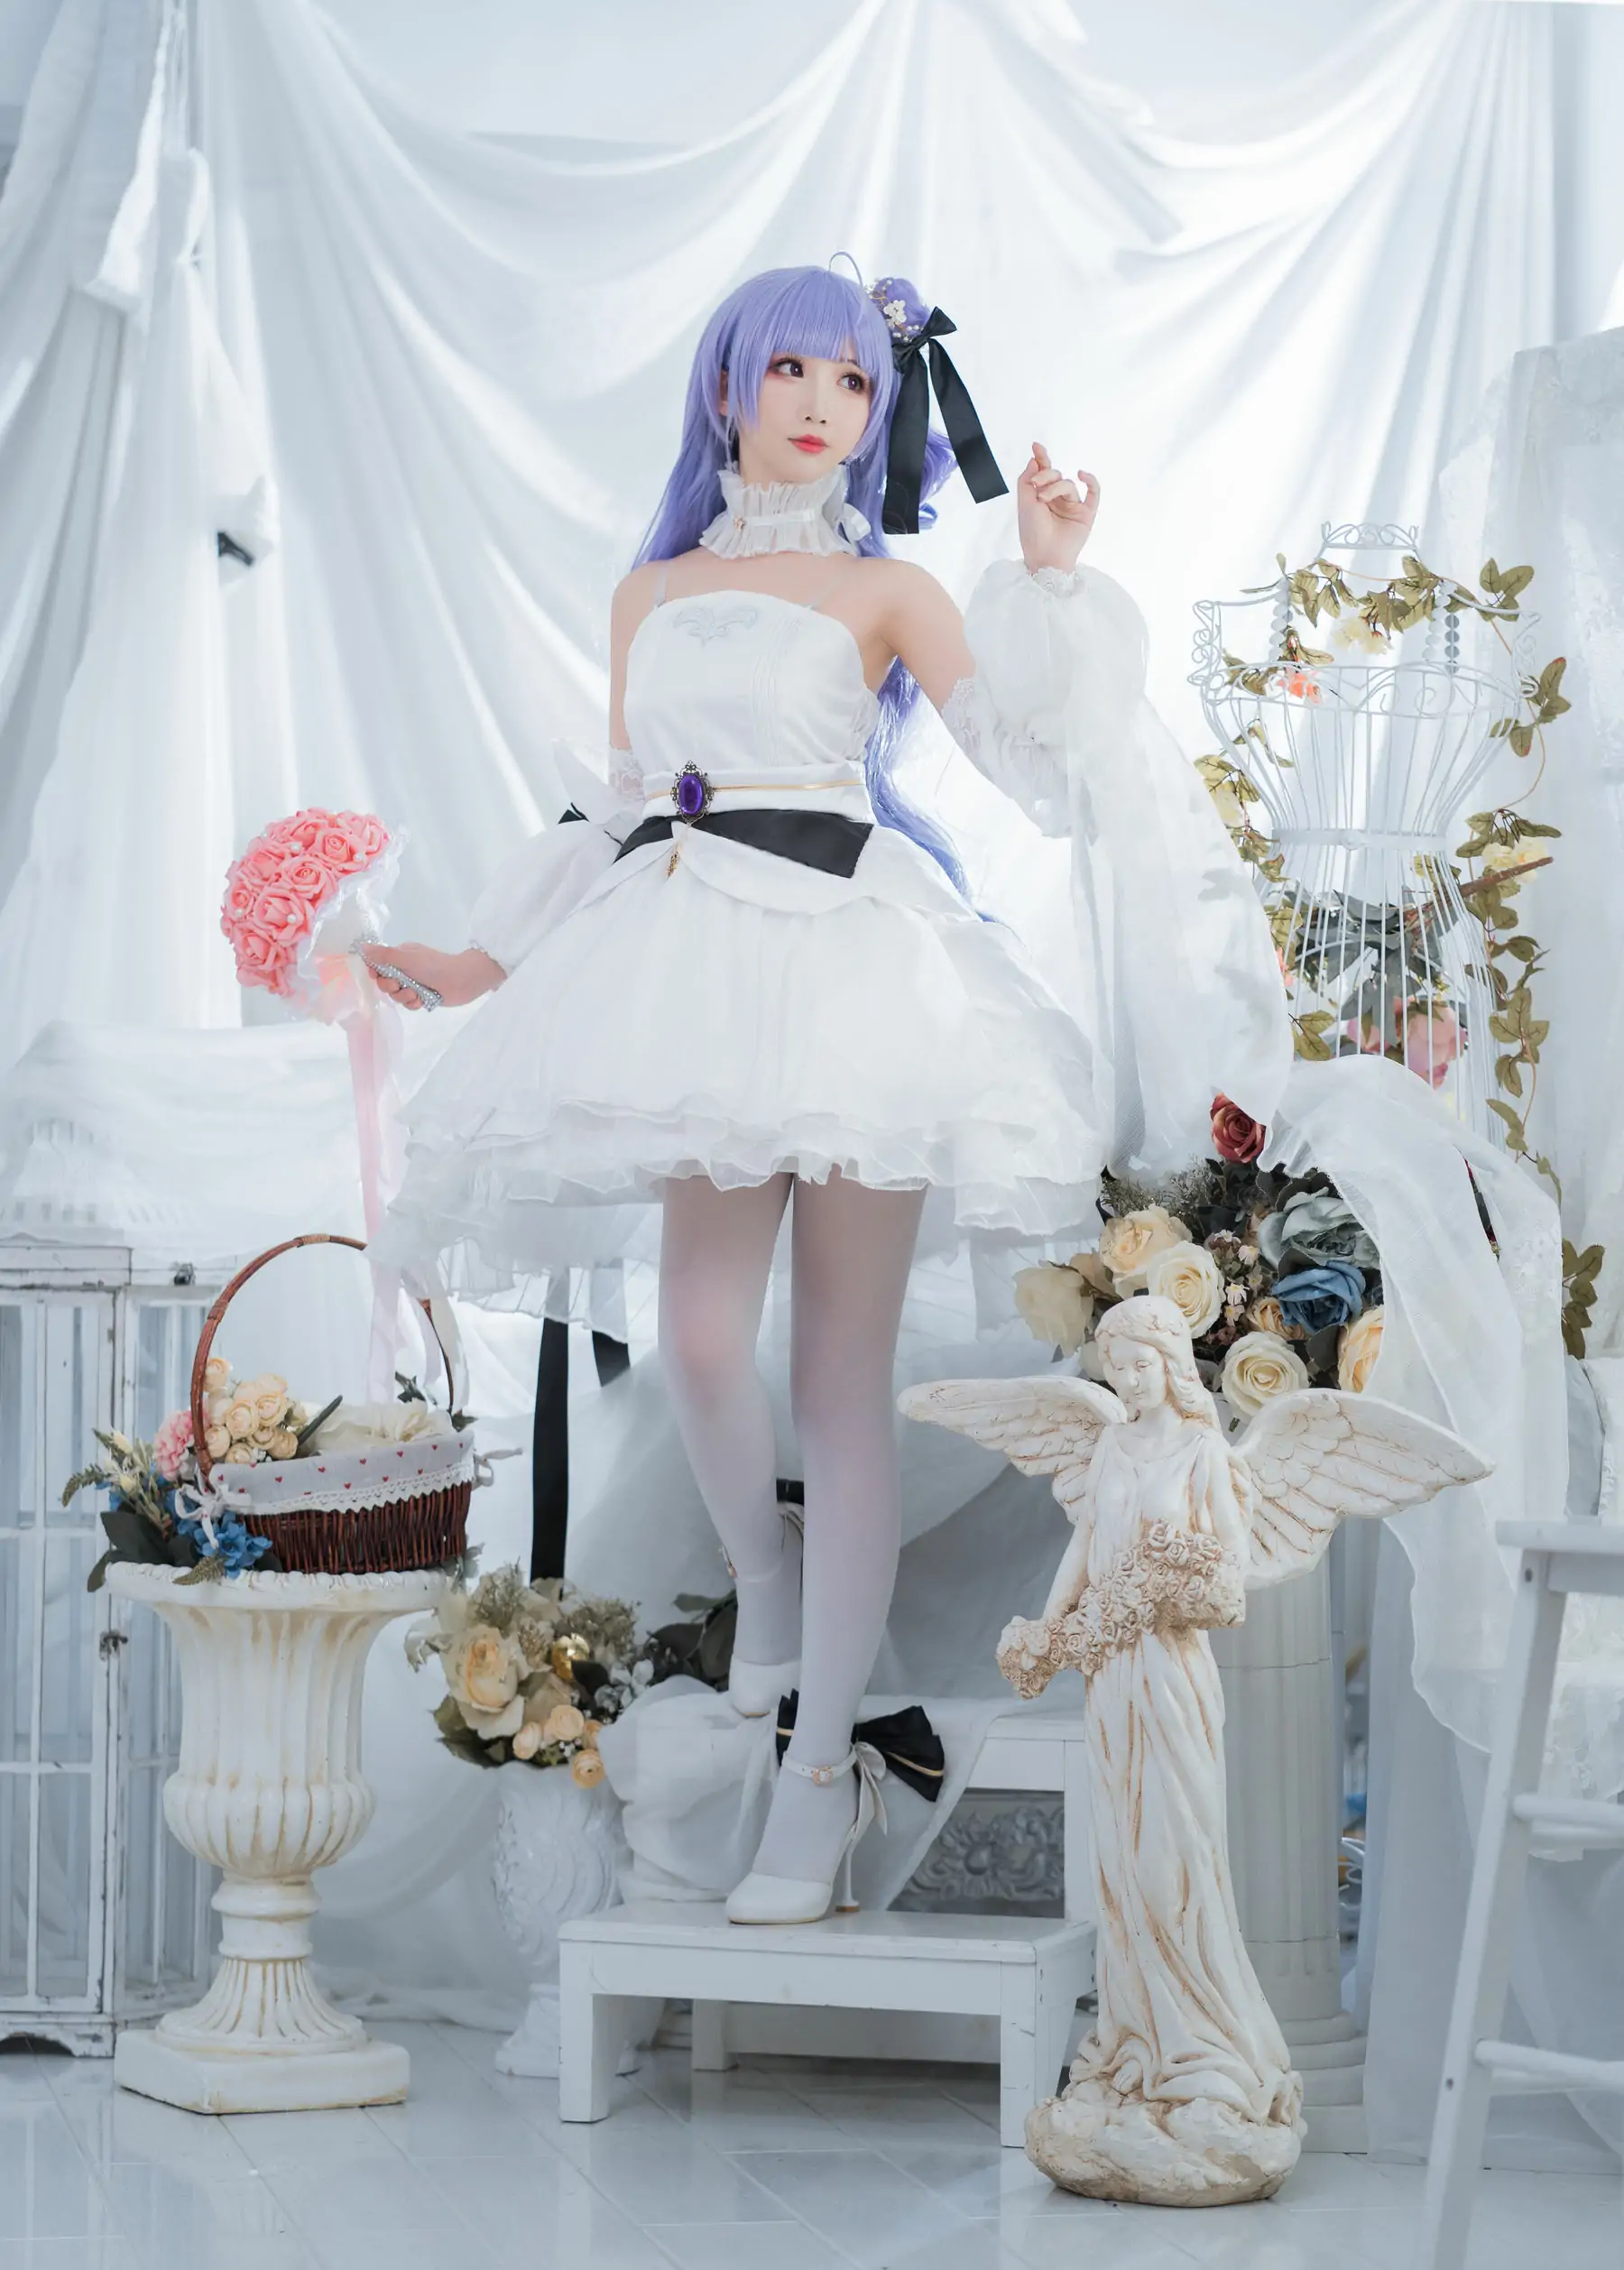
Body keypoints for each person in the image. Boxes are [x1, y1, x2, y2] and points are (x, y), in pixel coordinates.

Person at [364, 261, 1278, 1922]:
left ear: (877, 409)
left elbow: (1040, 769)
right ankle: (767, 1586)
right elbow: (620, 806)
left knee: (841, 1386)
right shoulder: (651, 592)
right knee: (705, 1339)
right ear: (727, 387)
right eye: (789, 369)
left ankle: (815, 1779)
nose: (819, 404)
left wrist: (1051, 581)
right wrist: (482, 961)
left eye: (853, 380)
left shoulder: (889, 590)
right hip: (693, 967)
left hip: (859, 978)